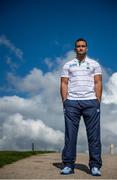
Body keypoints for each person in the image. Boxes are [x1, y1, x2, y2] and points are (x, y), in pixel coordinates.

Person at [60, 38, 102, 176]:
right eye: (78, 46)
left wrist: (97, 100)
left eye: (83, 46)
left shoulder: (94, 64)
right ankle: (68, 165)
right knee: (70, 136)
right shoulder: (68, 65)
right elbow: (64, 83)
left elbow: (98, 82)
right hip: (72, 103)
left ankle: (95, 166)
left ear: (87, 48)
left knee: (94, 136)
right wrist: (65, 101)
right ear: (75, 49)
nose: (81, 48)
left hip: (91, 102)